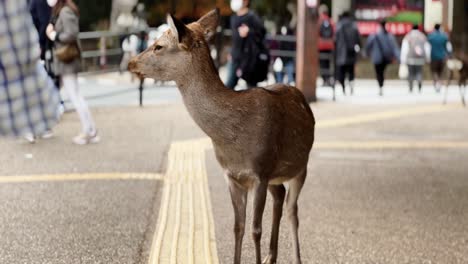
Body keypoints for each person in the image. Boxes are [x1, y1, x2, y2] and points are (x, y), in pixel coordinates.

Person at [0, 0, 61, 140]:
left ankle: (34, 130)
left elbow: (42, 22)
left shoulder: (36, 2)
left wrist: (40, 44)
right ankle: (34, 129)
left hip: (34, 48)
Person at [46, 0, 99, 145]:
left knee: (75, 96)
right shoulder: (63, 10)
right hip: (66, 60)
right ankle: (91, 130)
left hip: (67, 60)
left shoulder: (65, 11)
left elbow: (71, 34)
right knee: (75, 95)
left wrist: (54, 35)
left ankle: (88, 130)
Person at [225, 0, 267, 90]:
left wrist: (249, 31)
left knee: (252, 88)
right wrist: (231, 52)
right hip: (235, 57)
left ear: (246, 1)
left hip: (249, 59)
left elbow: (262, 33)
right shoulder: (234, 18)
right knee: (229, 86)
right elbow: (234, 39)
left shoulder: (252, 17)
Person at [365, 20, 400, 96]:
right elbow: (394, 47)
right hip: (385, 58)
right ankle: (381, 85)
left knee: (378, 72)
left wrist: (366, 53)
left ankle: (380, 85)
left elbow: (368, 45)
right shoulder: (389, 35)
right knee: (382, 72)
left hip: (376, 58)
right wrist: (397, 57)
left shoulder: (374, 35)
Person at [335, 11, 361, 95]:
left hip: (341, 53)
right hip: (351, 52)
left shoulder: (339, 25)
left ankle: (343, 88)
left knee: (342, 72)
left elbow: (335, 39)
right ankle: (351, 86)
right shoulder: (354, 25)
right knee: (351, 71)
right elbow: (358, 39)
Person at [400, 24, 430, 93]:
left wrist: (403, 59)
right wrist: (427, 58)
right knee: (419, 72)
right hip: (420, 59)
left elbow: (404, 49)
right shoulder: (422, 36)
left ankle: (411, 86)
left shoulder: (408, 36)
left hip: (410, 58)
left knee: (411, 73)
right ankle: (419, 83)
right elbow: (427, 48)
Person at [428, 24, 452, 92]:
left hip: (433, 57)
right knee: (441, 72)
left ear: (434, 28)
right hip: (442, 57)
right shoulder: (444, 36)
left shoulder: (430, 37)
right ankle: (440, 83)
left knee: (434, 71)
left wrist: (427, 57)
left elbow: (427, 47)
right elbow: (449, 47)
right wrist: (449, 55)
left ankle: (436, 83)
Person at [318, 4, 335, 86]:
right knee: (328, 63)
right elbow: (334, 32)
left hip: (321, 45)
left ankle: (324, 79)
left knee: (322, 63)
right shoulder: (330, 21)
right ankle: (328, 79)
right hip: (329, 45)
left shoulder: (319, 20)